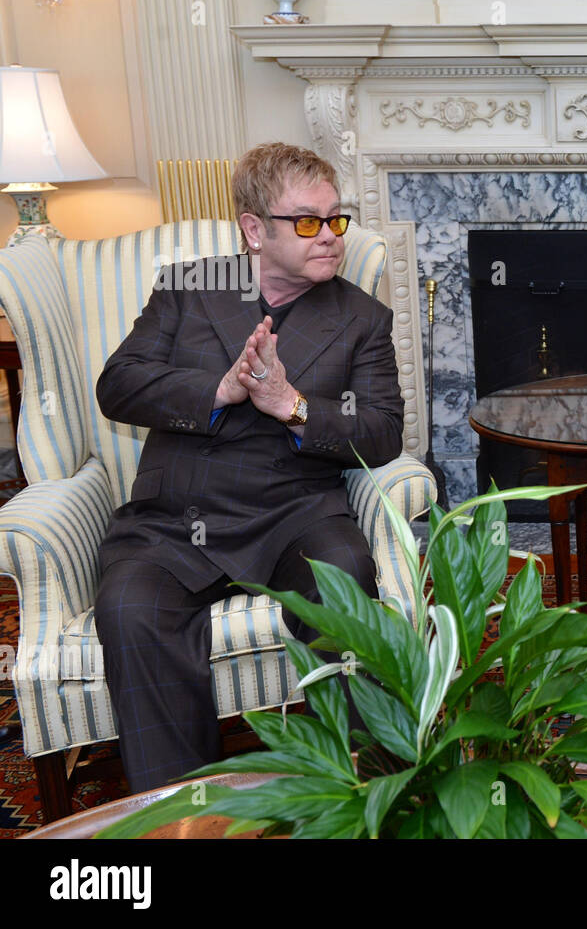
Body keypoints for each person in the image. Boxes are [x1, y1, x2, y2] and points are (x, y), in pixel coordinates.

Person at [93, 142, 404, 793]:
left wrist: (291, 405)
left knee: (343, 574)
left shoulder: (361, 318)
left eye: (336, 218)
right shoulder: (187, 288)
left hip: (295, 514)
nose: (330, 236)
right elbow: (118, 385)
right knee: (129, 605)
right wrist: (221, 389)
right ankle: (184, 811)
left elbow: (380, 432)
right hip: (175, 517)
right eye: (308, 221)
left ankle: (364, 792)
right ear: (255, 229)